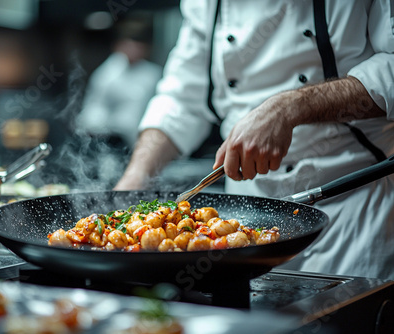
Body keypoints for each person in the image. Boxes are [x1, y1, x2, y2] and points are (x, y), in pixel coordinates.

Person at [114, 0, 394, 280]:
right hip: (247, 217)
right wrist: (136, 177)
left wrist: (288, 108)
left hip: (351, 208)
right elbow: (181, 99)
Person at [77, 15, 163, 148]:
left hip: (146, 140)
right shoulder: (107, 73)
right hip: (111, 141)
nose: (134, 49)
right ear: (119, 45)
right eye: (130, 44)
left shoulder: (154, 74)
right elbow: (94, 108)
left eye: (138, 45)